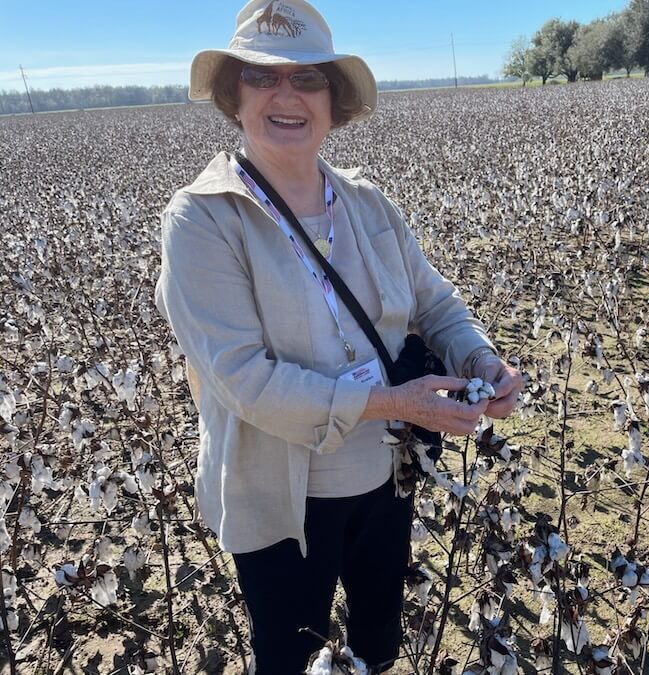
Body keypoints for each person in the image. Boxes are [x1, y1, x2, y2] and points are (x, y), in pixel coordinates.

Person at [154, 1, 523, 672]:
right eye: (263, 78)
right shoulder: (202, 220)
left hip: (387, 475)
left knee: (377, 635)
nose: (285, 95)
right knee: (290, 653)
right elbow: (247, 381)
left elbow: (435, 302)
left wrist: (482, 357)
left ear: (332, 99)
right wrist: (397, 403)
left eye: (307, 78)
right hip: (281, 501)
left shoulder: (366, 202)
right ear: (234, 94)